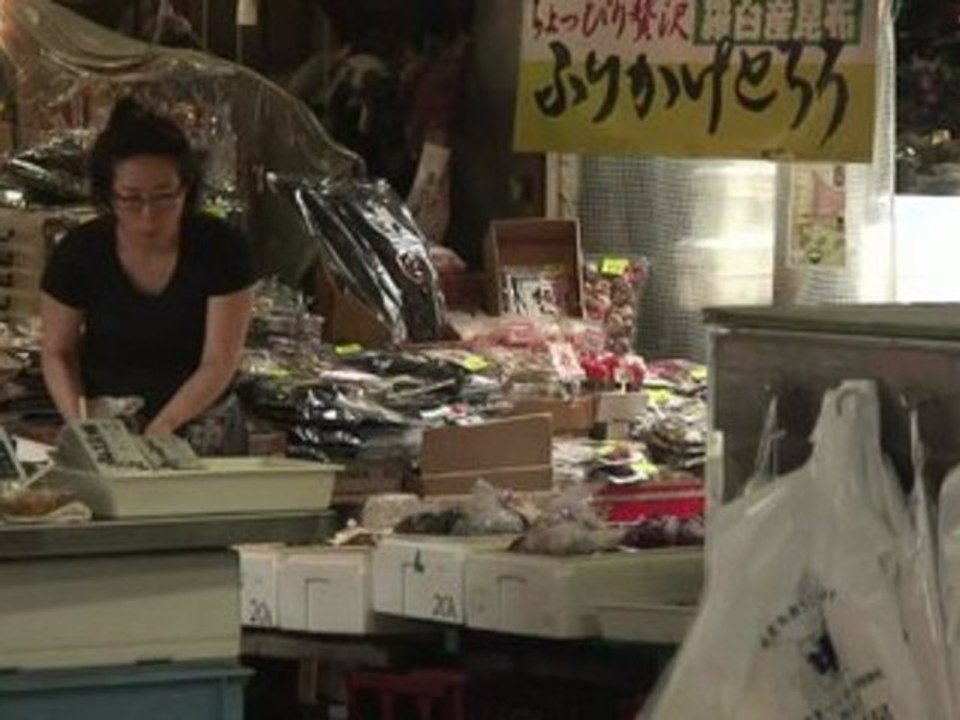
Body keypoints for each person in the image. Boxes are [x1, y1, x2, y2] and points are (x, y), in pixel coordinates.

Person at [40, 96, 254, 438]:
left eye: (164, 195)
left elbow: (219, 361)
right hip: (106, 415)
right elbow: (57, 351)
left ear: (186, 188)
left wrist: (165, 426)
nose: (148, 213)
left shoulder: (221, 248)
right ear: (108, 194)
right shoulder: (80, 252)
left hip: (200, 418)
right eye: (130, 197)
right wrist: (81, 424)